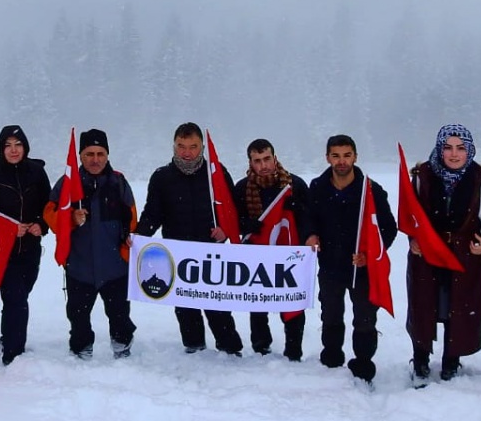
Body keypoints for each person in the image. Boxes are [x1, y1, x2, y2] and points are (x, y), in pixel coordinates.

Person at [404, 123, 481, 383]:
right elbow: (408, 213)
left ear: (469, 150)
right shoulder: (423, 175)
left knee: (458, 307)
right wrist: (413, 238)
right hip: (427, 254)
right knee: (424, 306)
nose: (454, 154)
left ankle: (451, 361)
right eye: (448, 148)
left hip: (464, 255)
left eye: (460, 148)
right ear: (440, 149)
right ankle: (420, 361)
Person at [136, 123, 244, 356]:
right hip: (178, 253)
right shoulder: (162, 177)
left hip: (211, 252)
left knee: (217, 305)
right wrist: (138, 237)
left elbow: (232, 209)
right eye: (181, 146)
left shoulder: (216, 173)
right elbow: (152, 214)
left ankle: (230, 348)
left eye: (193, 147)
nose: (187, 152)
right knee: (185, 306)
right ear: (174, 146)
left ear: (202, 147)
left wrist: (225, 230)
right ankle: (194, 347)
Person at [302, 134, 397, 384]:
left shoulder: (371, 190)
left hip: (361, 268)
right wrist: (310, 235)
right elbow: (308, 218)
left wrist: (369, 255)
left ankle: (363, 364)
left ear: (355, 157)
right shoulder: (317, 187)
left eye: (347, 155)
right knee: (331, 315)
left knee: (365, 319)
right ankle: (331, 358)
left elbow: (388, 228)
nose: (341, 161)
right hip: (330, 265)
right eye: (336, 156)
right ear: (327, 158)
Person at [43, 129, 136, 360]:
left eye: (100, 153)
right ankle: (81, 349)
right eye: (89, 154)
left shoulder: (118, 182)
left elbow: (132, 218)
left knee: (119, 314)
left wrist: (127, 247)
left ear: (107, 155)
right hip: (79, 266)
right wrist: (71, 219)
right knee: (78, 316)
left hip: (115, 266)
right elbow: (49, 215)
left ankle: (122, 344)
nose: (95, 159)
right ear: (80, 156)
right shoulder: (67, 183)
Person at [0, 125, 52, 365]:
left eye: (18, 145)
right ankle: (13, 353)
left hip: (30, 249)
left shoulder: (37, 173)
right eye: (8, 146)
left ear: (25, 147)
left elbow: (49, 206)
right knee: (15, 298)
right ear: (1, 149)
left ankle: (8, 337)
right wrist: (7, 229)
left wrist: (41, 225)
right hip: (2, 251)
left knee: (19, 296)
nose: (13, 150)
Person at [232, 138, 312, 359]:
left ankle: (293, 350)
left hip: (290, 255)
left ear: (275, 159)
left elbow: (310, 219)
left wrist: (297, 210)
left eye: (267, 159)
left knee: (292, 303)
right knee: (258, 302)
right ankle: (261, 347)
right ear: (250, 163)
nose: (263, 165)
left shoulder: (294, 185)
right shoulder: (242, 188)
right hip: (256, 254)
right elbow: (232, 221)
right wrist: (246, 224)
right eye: (257, 161)